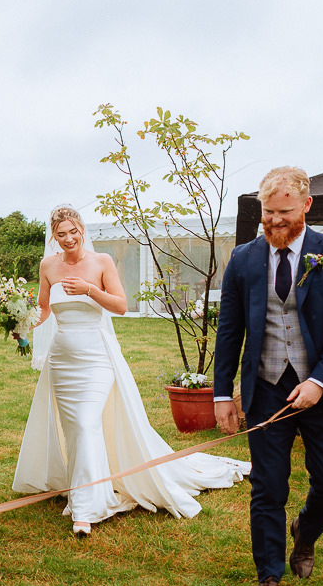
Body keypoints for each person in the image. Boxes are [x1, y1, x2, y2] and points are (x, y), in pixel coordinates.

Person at [13, 205, 248, 536]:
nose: (68, 239)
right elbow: (45, 308)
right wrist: (19, 325)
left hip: (96, 359)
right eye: (61, 234)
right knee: (73, 429)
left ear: (82, 229)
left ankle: (87, 508)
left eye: (73, 231)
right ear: (54, 236)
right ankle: (82, 487)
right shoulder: (48, 265)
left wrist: (89, 290)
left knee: (86, 423)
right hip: (62, 361)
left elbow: (121, 306)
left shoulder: (102, 262)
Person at [213, 167, 323, 586]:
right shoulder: (242, 259)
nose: (275, 221)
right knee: (267, 488)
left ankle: (306, 533)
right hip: (264, 390)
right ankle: (268, 576)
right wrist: (223, 394)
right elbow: (228, 331)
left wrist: (319, 381)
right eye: (268, 212)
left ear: (307, 206)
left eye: (285, 212)